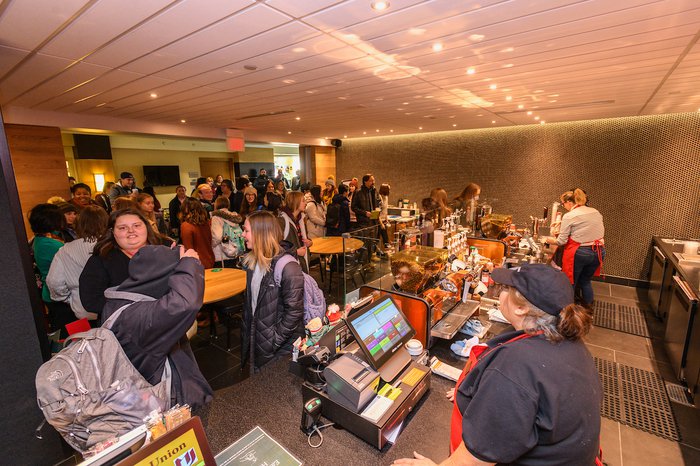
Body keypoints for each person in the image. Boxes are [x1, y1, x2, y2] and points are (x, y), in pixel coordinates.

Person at [394, 264, 601, 466]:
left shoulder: (515, 367)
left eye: (506, 289)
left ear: (521, 308)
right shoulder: (569, 342)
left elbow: (474, 461)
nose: (500, 292)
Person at [102, 245, 213, 409]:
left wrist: (165, 257)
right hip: (166, 399)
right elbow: (185, 304)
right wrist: (190, 263)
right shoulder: (140, 317)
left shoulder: (120, 301)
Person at [240, 211, 304, 371]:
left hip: (278, 348)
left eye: (246, 230)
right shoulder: (252, 263)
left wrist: (273, 341)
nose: (242, 234)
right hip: (258, 341)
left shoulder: (288, 267)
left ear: (260, 233)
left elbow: (294, 312)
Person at [79, 208, 162, 316]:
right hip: (124, 326)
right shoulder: (101, 260)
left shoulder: (166, 249)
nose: (131, 231)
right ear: (113, 232)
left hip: (168, 322)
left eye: (137, 225)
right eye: (122, 228)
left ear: (146, 227)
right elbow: (91, 301)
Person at [46, 206, 109, 323]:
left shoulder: (65, 250)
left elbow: (54, 282)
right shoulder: (112, 246)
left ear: (79, 224)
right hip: (112, 308)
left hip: (83, 309)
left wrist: (69, 299)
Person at [551, 188, 605, 305]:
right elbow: (586, 225)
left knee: (570, 282)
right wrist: (561, 223)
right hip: (598, 251)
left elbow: (561, 241)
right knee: (585, 281)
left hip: (580, 253)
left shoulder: (570, 215)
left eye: (563, 203)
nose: (563, 206)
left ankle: (568, 311)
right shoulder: (595, 211)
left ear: (569, 203)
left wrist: (547, 239)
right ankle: (588, 310)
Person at [29, 203, 74, 337]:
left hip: (50, 293)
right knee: (67, 334)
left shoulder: (39, 239)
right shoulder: (51, 244)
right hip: (58, 294)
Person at [279, 191, 312, 273]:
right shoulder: (282, 221)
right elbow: (276, 245)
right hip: (289, 265)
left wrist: (309, 242)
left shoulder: (300, 219)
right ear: (295, 202)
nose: (306, 203)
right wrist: (296, 252)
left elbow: (304, 238)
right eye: (303, 201)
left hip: (301, 262)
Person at [179, 198, 215, 269]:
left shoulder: (186, 226)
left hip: (196, 263)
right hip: (210, 259)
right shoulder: (206, 223)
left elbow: (189, 250)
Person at [352, 173, 382, 258]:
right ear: (365, 181)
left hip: (374, 221)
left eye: (373, 180)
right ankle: (363, 263)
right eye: (371, 180)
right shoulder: (358, 192)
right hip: (364, 223)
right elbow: (354, 207)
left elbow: (378, 202)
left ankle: (370, 260)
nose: (373, 182)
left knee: (372, 243)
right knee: (364, 243)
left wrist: (378, 209)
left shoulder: (374, 191)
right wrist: (365, 213)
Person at [211, 196, 244, 267]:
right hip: (235, 252)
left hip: (221, 255)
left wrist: (211, 245)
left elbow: (217, 237)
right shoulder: (234, 216)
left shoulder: (216, 218)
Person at [378, 183, 392, 253]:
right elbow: (378, 212)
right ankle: (384, 249)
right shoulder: (379, 197)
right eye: (389, 189)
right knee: (381, 236)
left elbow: (385, 209)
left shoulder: (386, 197)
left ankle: (386, 249)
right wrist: (381, 223)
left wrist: (387, 219)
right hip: (379, 220)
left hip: (384, 220)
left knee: (385, 236)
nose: (389, 191)